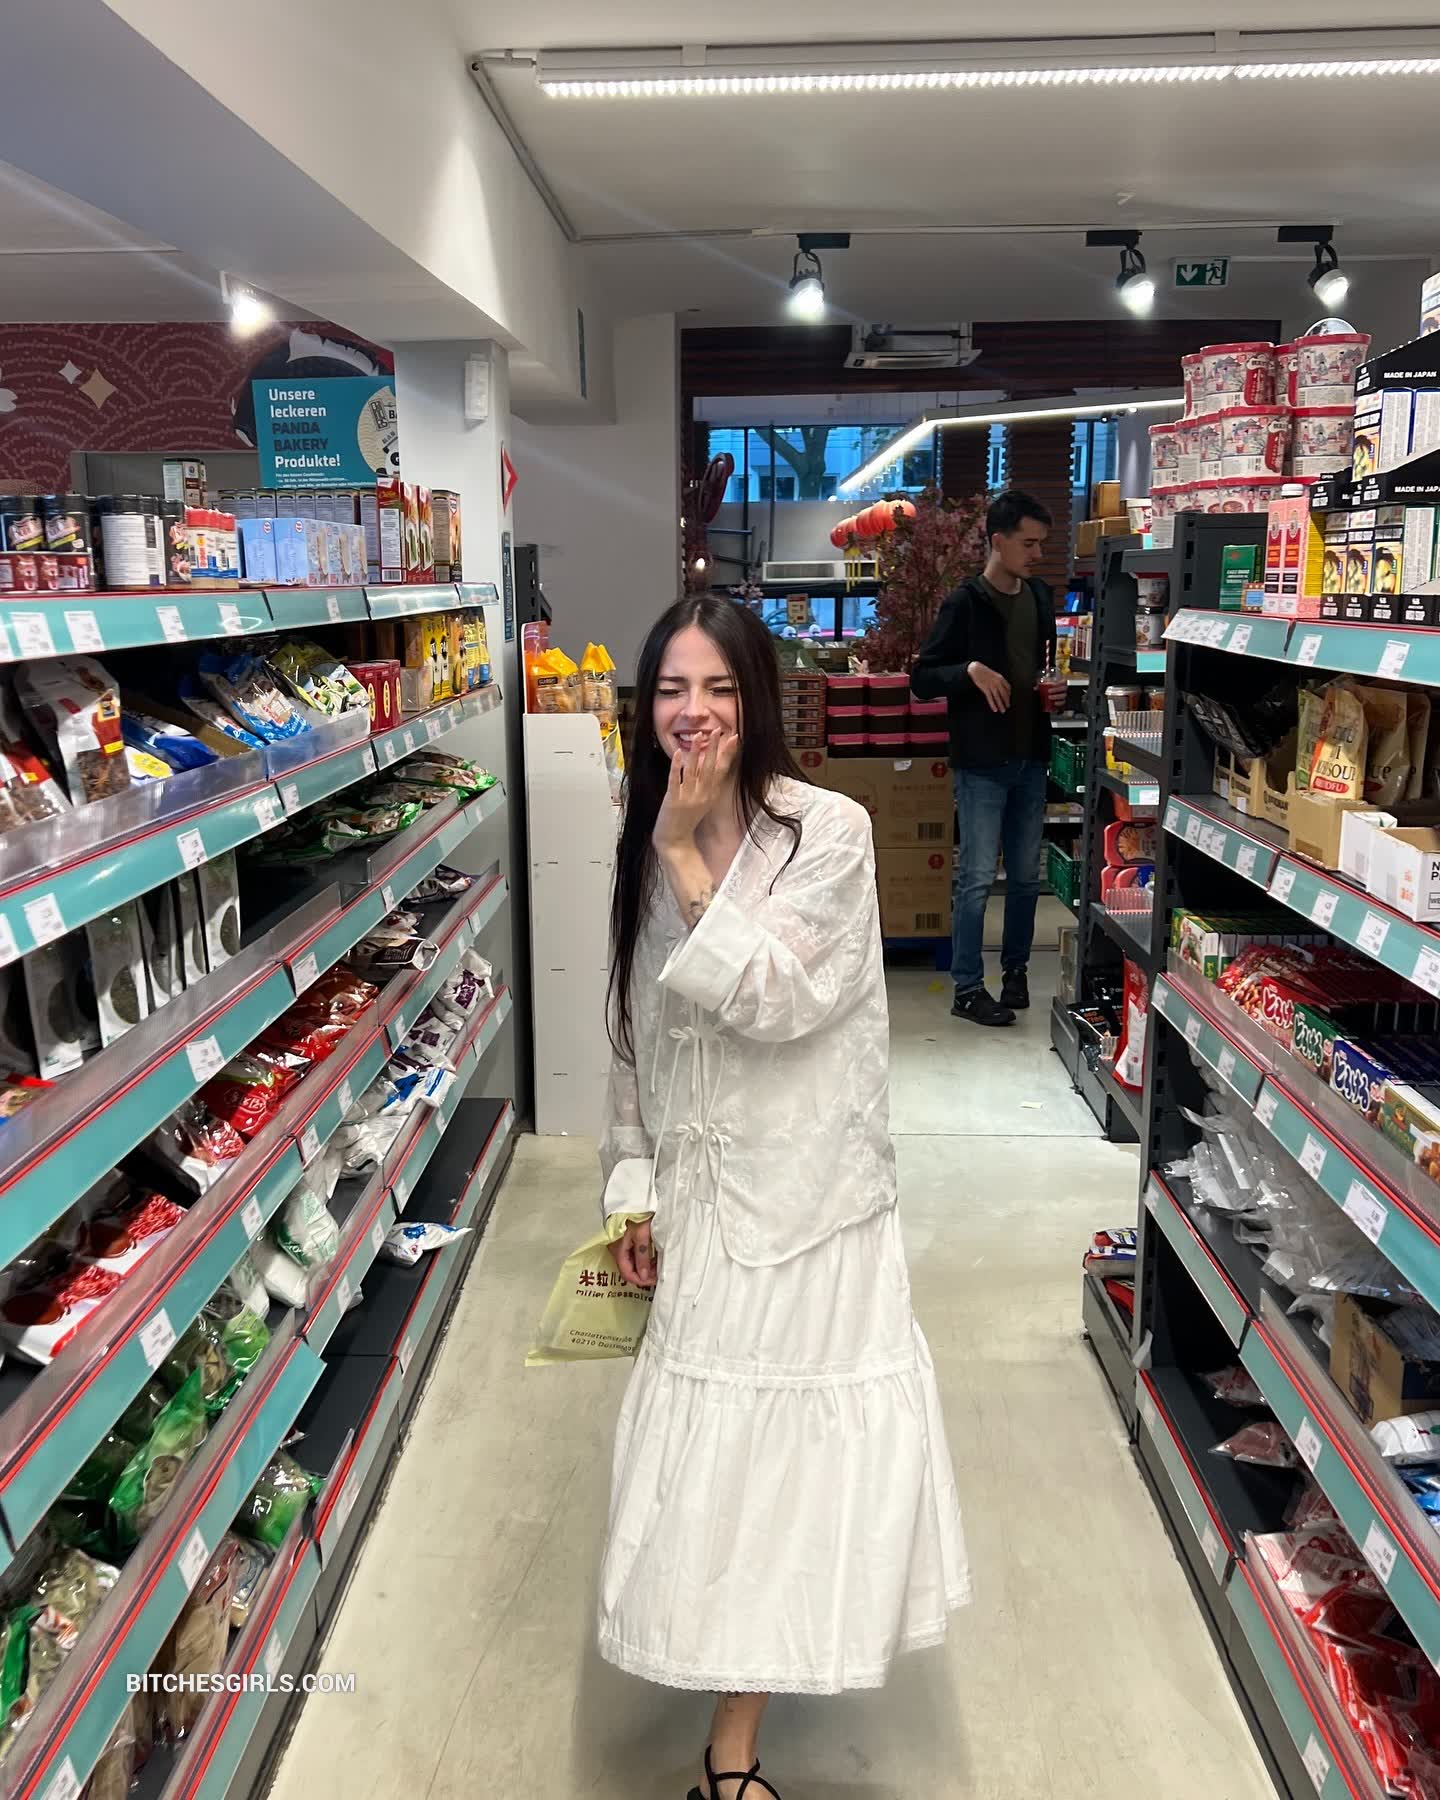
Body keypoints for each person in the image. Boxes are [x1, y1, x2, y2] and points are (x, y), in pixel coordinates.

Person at [597, 596, 969, 1800]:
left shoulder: (831, 834)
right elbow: (635, 1028)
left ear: (757, 700)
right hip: (704, 1201)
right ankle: (726, 1726)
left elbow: (781, 1001)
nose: (693, 713)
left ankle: (731, 1755)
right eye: (671, 689)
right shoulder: (643, 833)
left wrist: (686, 855)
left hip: (811, 1205)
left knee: (784, 1479)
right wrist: (633, 1184)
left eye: (718, 688)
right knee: (714, 1476)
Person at [911, 490, 1057, 1027]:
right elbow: (923, 679)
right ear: (998, 541)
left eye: (1041, 544)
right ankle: (967, 988)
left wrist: (1050, 689)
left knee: (1025, 878)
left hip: (1031, 756)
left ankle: (1016, 972)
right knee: (975, 879)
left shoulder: (1039, 597)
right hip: (981, 764)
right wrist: (969, 670)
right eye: (1028, 543)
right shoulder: (965, 603)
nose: (1037, 554)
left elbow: (1038, 667)